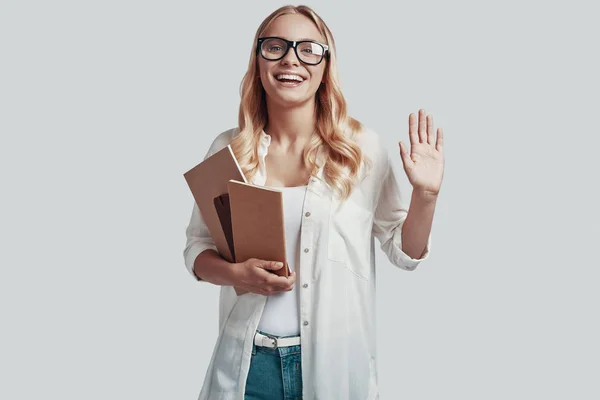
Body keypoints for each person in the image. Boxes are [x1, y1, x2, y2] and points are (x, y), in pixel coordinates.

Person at [183, 4, 444, 400]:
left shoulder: (361, 150)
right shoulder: (229, 150)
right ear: (258, 60)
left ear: (325, 65)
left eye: (308, 49)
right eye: (275, 47)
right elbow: (197, 251)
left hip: (336, 369)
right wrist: (239, 276)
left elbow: (403, 251)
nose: (291, 59)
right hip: (245, 370)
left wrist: (425, 196)